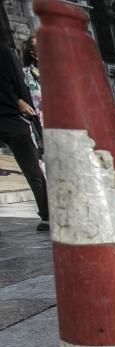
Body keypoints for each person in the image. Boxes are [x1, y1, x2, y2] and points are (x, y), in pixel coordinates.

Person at [0, 42, 48, 232]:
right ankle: (47, 214)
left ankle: (47, 213)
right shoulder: (5, 52)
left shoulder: (4, 52)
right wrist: (21, 103)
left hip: (11, 115)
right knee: (32, 170)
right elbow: (20, 85)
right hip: (12, 117)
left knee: (32, 169)